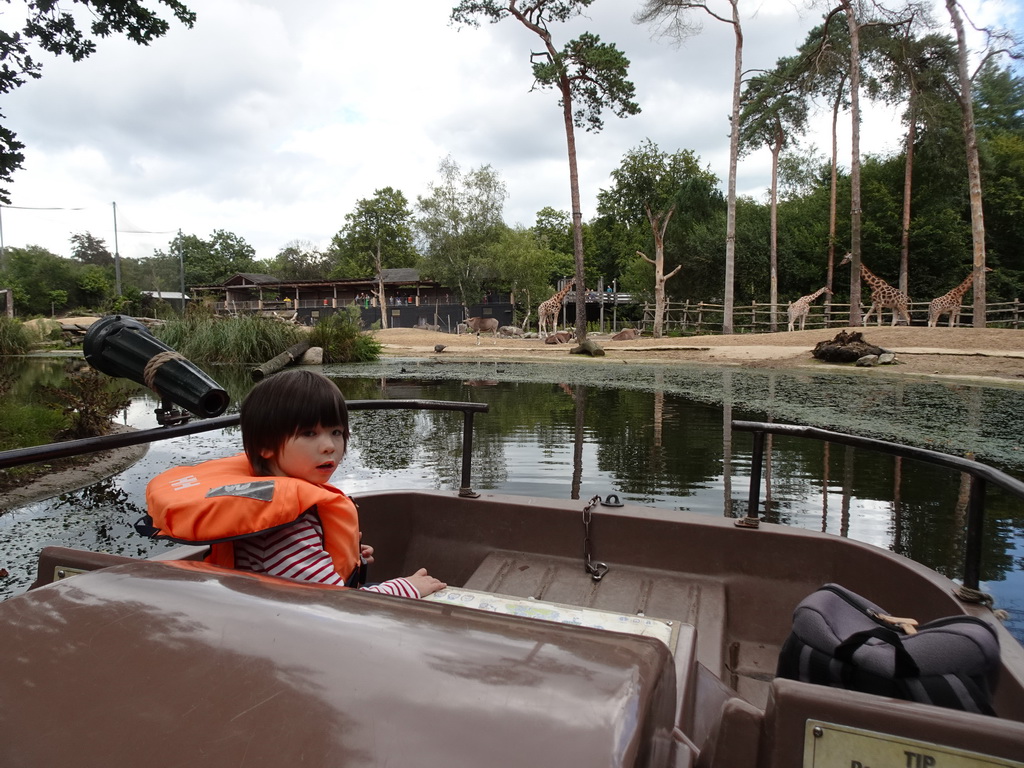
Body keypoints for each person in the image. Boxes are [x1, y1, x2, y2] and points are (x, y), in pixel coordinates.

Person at [140, 369, 445, 599]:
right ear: (265, 447)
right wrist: (407, 588)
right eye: (309, 434)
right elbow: (335, 606)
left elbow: (299, 570)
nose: (329, 446)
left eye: (336, 432)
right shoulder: (287, 532)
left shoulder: (278, 506)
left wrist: (346, 557)